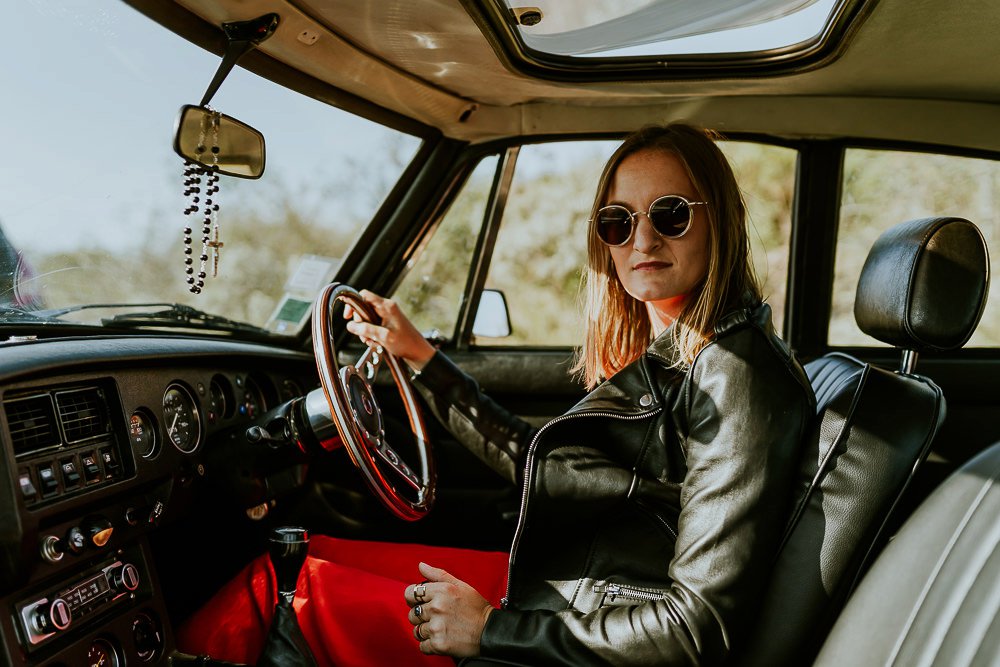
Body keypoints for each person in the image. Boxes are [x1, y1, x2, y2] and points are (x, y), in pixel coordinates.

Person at [177, 123, 815, 666]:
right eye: (619, 221)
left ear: (720, 221)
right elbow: (548, 467)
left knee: (278, 587)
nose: (642, 241)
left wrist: (490, 631)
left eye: (670, 214)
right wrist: (422, 360)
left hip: (577, 629)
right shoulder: (687, 354)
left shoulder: (737, 378)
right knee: (301, 551)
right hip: (573, 598)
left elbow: (697, 629)